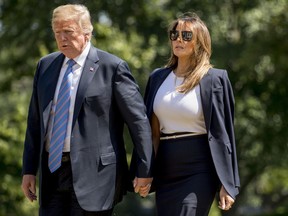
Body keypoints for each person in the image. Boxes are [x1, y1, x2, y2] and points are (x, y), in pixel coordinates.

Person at [21, 4, 153, 216]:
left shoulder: (112, 67)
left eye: (68, 32)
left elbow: (138, 122)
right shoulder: (45, 66)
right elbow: (35, 122)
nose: (62, 38)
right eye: (57, 33)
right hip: (52, 173)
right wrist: (28, 170)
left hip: (96, 177)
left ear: (87, 33)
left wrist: (144, 169)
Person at [144, 12, 240, 216]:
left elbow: (225, 135)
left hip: (199, 167)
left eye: (186, 35)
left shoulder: (215, 79)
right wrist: (145, 171)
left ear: (199, 42)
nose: (178, 39)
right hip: (166, 168)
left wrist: (228, 183)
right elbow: (152, 133)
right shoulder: (157, 78)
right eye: (174, 34)